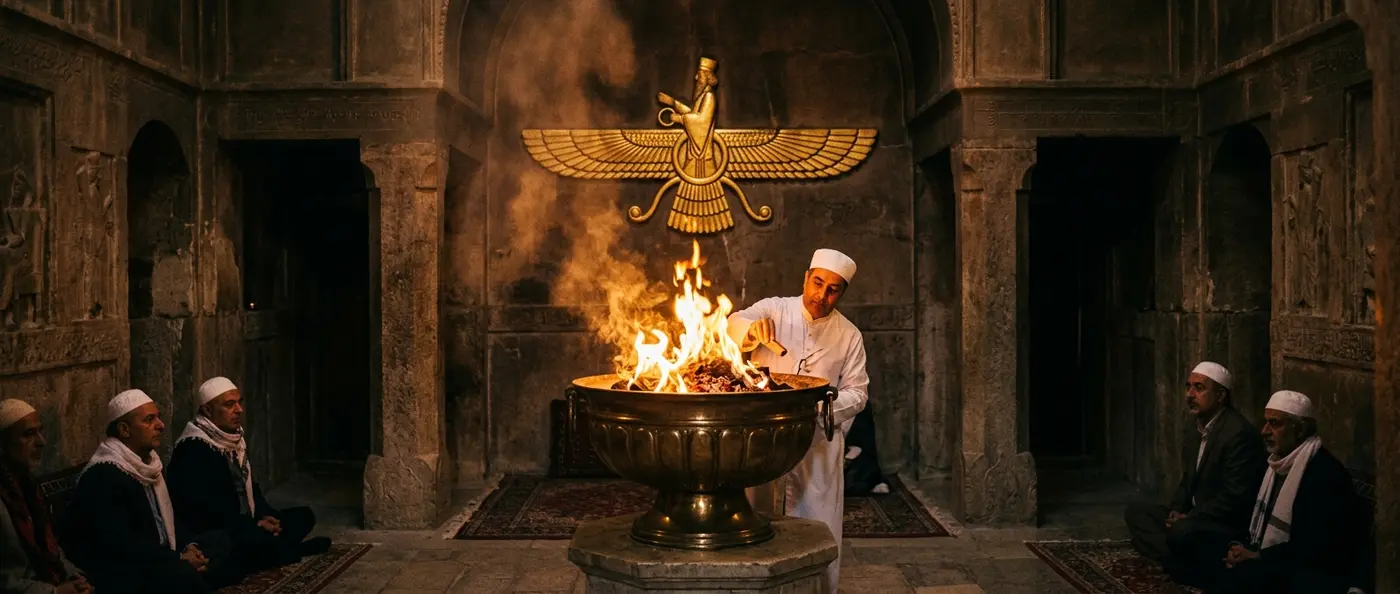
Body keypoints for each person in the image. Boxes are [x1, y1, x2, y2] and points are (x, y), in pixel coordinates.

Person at [728, 248, 869, 593]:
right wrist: (750, 333)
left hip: (816, 440)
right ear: (806, 277)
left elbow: (858, 392)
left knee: (816, 524)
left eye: (832, 289)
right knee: (754, 519)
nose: (821, 295)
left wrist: (820, 411)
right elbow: (732, 322)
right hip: (764, 440)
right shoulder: (775, 309)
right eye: (818, 282)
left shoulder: (849, 335)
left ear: (841, 292)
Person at [60, 390, 235, 594]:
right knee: (181, 574)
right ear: (125, 429)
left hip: (159, 554)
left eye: (158, 417)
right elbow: (124, 546)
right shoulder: (105, 475)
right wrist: (177, 558)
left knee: (222, 540)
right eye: (149, 420)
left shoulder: (147, 464)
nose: (160, 425)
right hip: (124, 566)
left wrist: (190, 546)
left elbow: (166, 518)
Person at [1210, 391, 1367, 594]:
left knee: (1239, 576)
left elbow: (1314, 547)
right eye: (1265, 422)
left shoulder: (1324, 474)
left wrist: (1259, 556)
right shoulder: (1275, 464)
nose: (1264, 431)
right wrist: (1239, 546)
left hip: (1312, 567)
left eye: (1275, 424)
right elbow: (1253, 518)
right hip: (1280, 555)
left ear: (1299, 430)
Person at [1124, 361, 1266, 586]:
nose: (1190, 394)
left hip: (1221, 522)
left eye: (1199, 388)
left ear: (1220, 396)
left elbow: (1235, 497)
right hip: (1192, 516)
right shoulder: (1194, 428)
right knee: (1137, 513)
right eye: (1188, 387)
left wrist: (1190, 517)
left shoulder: (1238, 434)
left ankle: (1177, 558)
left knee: (1182, 532)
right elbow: (1188, 479)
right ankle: (1177, 558)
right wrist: (1176, 510)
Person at [169, 377, 329, 576]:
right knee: (242, 543)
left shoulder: (233, 440)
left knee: (304, 516)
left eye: (239, 402)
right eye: (229, 405)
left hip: (244, 524)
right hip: (216, 531)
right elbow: (207, 512)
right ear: (207, 411)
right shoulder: (194, 448)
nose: (239, 410)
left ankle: (273, 548)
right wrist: (254, 525)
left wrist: (264, 515)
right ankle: (289, 551)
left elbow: (250, 488)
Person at [0, 399, 90, 594]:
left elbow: (52, 548)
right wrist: (54, 592)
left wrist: (76, 577)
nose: (41, 442)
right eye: (29, 435)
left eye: (40, 431)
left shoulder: (30, 487)